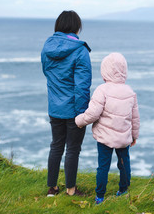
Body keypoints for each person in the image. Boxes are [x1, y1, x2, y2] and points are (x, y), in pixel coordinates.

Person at [75, 52, 140, 204]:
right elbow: (135, 117)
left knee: (103, 166)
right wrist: (134, 135)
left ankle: (100, 196)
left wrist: (79, 120)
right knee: (124, 164)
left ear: (105, 71)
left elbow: (92, 114)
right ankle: (124, 190)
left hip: (105, 137)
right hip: (124, 137)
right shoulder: (130, 91)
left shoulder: (102, 90)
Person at [41, 10, 92, 197]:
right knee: (72, 149)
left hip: (54, 107)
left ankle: (52, 188)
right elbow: (82, 87)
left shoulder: (47, 48)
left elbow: (48, 74)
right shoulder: (80, 50)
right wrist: (81, 114)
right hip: (73, 110)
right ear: (77, 27)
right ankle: (71, 189)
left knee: (56, 145)